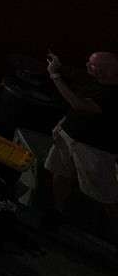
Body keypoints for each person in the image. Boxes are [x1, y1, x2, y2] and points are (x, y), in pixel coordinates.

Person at [43, 50, 118, 227]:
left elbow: (80, 104)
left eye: (92, 65)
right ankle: (58, 212)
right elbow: (77, 104)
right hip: (70, 136)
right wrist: (63, 122)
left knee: (105, 195)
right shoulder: (93, 81)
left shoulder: (114, 94)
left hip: (95, 147)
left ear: (108, 71)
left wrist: (54, 74)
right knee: (61, 172)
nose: (87, 66)